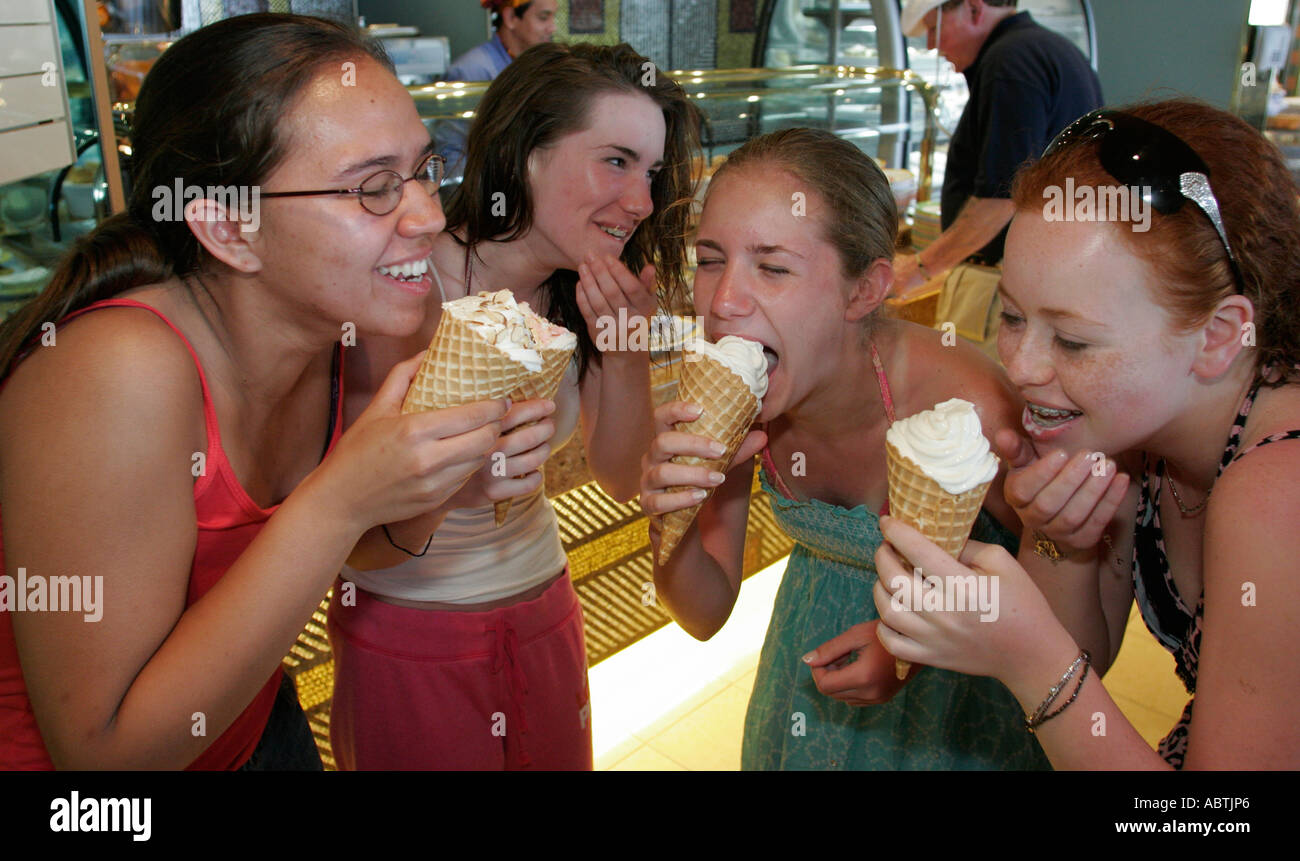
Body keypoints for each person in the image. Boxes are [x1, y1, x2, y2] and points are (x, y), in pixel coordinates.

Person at [0, 14, 510, 769]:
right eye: (372, 188)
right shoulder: (116, 373)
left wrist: (435, 474)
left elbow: (362, 547)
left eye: (424, 168)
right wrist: (340, 496)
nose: (429, 216)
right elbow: (105, 756)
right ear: (228, 229)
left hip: (251, 723)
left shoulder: (353, 325)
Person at [873, 101, 1300, 769]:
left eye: (1072, 340)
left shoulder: (1278, 492)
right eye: (1011, 316)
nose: (1021, 367)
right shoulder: (1130, 433)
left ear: (1218, 336)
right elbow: (1086, 650)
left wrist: (1031, 663)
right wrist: (1060, 539)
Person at [327, 41, 700, 770]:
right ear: (527, 151)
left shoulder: (579, 290)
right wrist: (461, 474)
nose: (643, 202)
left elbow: (621, 476)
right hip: (407, 627)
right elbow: (336, 510)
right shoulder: (403, 283)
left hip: (543, 605)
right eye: (616, 161)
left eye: (651, 174)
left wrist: (623, 346)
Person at [638, 128, 1050, 770]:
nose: (722, 302)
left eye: (772, 267)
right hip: (803, 689)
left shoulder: (969, 411)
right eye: (711, 258)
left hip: (964, 708)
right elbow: (703, 611)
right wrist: (671, 520)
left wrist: (909, 649)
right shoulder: (740, 405)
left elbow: (1068, 608)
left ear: (864, 291)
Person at [892, 0, 1103, 296]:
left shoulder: (1009, 62)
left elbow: (1001, 198)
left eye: (934, 28)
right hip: (1048, 271)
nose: (931, 46)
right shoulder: (1050, 48)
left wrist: (918, 269)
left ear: (974, 7)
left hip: (1004, 279)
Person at [437, 0, 558, 180]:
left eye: (552, 17)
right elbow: (451, 155)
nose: (552, 27)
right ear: (511, 17)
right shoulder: (471, 71)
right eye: (543, 17)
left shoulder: (531, 68)